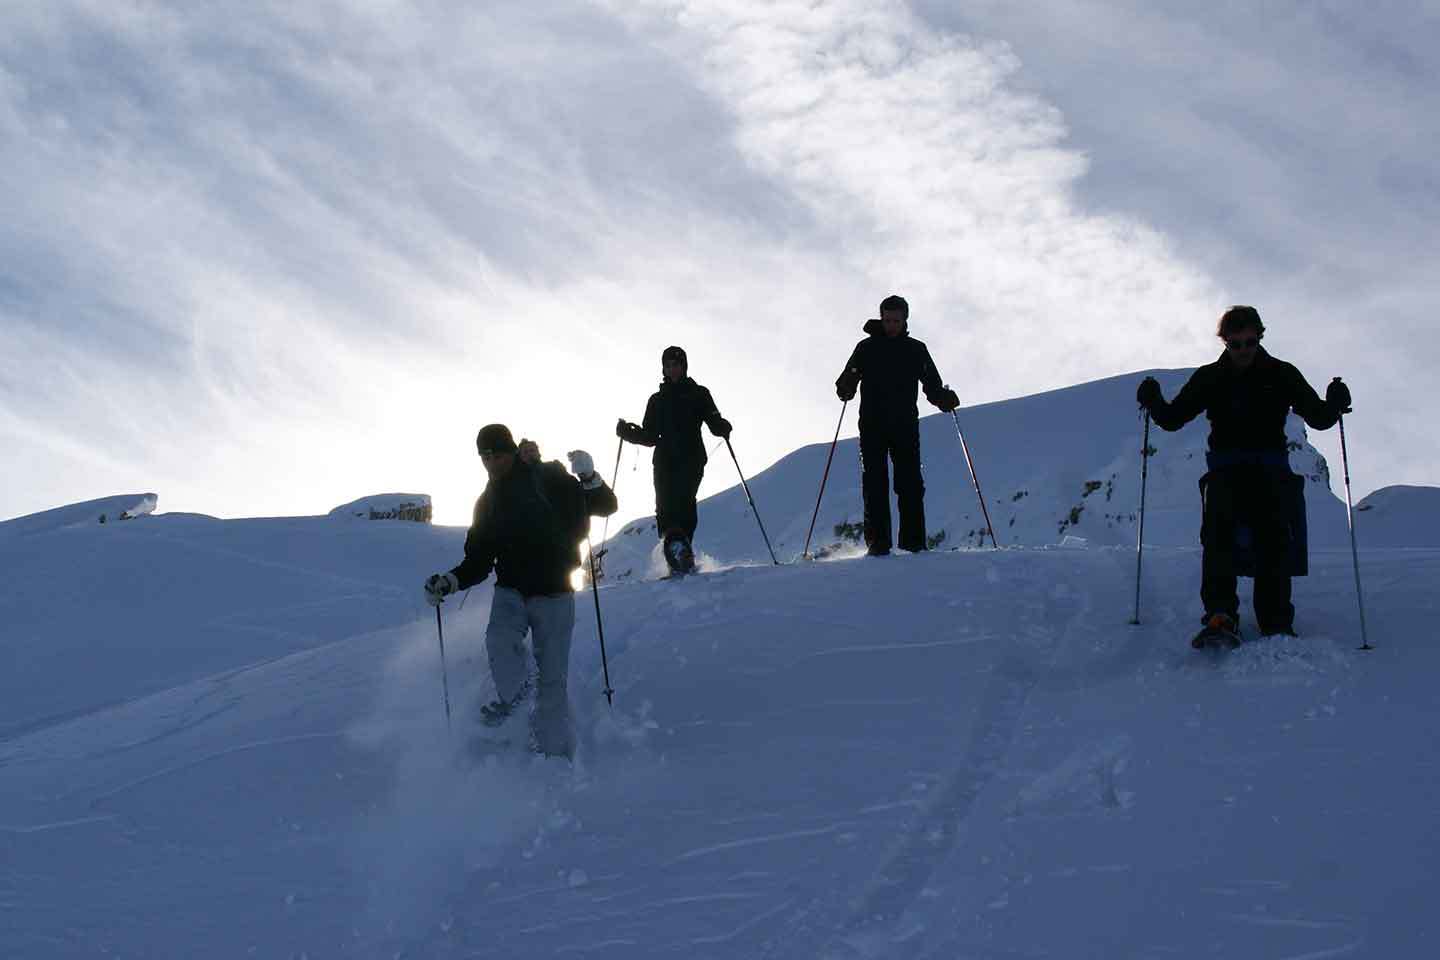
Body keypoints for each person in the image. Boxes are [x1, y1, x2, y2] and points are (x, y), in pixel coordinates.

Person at [1137, 305, 1351, 646]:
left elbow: (1318, 417)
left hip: (1268, 469)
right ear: (1225, 342)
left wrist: (1334, 404)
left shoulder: (1282, 374)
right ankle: (1223, 614)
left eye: (1249, 342)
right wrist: (1155, 402)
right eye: (1236, 344)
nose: (1243, 351)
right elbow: (1174, 418)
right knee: (1220, 539)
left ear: (1259, 337)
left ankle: (1275, 620)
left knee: (1273, 542)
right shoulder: (1212, 377)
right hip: (1227, 469)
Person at [423, 423, 617, 759]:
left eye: (496, 453)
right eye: (484, 456)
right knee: (498, 642)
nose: (491, 461)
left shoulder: (549, 477)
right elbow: (478, 560)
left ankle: (555, 757)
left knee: (553, 680)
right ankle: (519, 699)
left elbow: (605, 505)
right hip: (511, 590)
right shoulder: (487, 503)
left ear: (511, 451)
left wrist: (588, 477)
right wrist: (450, 582)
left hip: (556, 592)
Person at [834, 295, 959, 556]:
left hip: (905, 426)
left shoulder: (916, 349)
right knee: (875, 483)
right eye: (887, 320)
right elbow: (847, 379)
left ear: (905, 321)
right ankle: (878, 544)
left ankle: (913, 543)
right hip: (872, 425)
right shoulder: (866, 348)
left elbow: (931, 384)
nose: (891, 325)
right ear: (881, 318)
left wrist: (943, 399)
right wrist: (846, 386)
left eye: (896, 320)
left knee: (910, 483)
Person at [615, 346, 732, 574]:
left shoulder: (699, 393)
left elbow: (713, 419)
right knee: (664, 507)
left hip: (691, 457)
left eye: (676, 364)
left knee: (684, 500)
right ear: (663, 369)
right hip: (664, 460)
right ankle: (675, 551)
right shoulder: (657, 400)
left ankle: (681, 548)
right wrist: (628, 433)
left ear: (684, 366)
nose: (672, 369)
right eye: (668, 365)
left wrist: (722, 426)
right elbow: (649, 436)